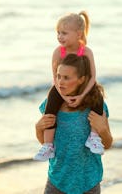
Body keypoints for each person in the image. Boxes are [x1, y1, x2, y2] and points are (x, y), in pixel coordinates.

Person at [35, 54, 113, 194]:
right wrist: (38, 128)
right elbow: (46, 144)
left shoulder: (96, 105)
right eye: (58, 76)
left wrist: (102, 129)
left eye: (66, 78)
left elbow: (107, 144)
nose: (60, 82)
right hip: (57, 181)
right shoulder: (51, 105)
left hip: (88, 182)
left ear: (81, 80)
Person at [34, 11, 104, 161]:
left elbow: (92, 77)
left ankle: (93, 137)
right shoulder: (58, 52)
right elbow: (55, 79)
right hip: (62, 89)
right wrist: (64, 96)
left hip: (84, 87)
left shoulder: (85, 51)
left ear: (79, 34)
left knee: (97, 94)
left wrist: (82, 96)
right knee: (51, 103)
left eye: (64, 33)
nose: (60, 36)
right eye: (58, 33)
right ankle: (48, 146)